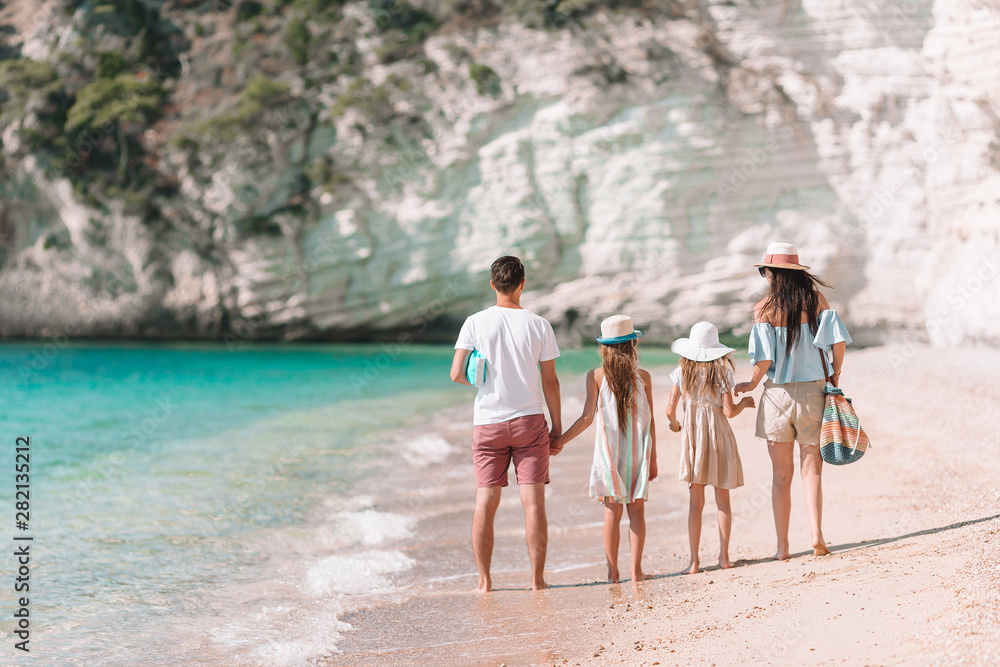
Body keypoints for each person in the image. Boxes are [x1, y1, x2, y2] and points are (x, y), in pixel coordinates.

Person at [733, 242, 852, 560]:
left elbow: (762, 361)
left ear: (774, 274)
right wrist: (835, 375)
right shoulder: (816, 301)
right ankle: (817, 536)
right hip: (813, 393)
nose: (764, 276)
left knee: (780, 476)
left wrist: (750, 383)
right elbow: (837, 343)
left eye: (765, 271)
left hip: (776, 397)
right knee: (811, 470)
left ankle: (782, 548)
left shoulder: (763, 309)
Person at [450, 256, 562, 592]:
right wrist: (557, 428)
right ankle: (537, 580)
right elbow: (551, 382)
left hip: (488, 423)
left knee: (485, 500)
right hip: (529, 421)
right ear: (522, 284)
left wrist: (479, 379)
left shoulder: (474, 322)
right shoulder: (539, 324)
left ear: (492, 285)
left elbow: (456, 373)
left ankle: (484, 581)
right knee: (533, 501)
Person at [550, 315, 656, 584]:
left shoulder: (596, 376)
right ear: (633, 344)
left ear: (604, 347)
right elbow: (650, 419)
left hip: (609, 454)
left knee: (611, 513)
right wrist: (652, 458)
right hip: (637, 453)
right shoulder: (643, 377)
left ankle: (612, 573)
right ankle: (636, 571)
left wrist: (560, 440)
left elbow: (587, 418)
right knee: (637, 512)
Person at [665, 321, 755, 574]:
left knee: (696, 503)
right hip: (719, 438)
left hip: (693, 440)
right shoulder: (724, 373)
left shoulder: (681, 372)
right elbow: (729, 411)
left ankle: (694, 562)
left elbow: (669, 410)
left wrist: (674, 425)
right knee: (722, 501)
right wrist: (745, 404)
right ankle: (724, 557)